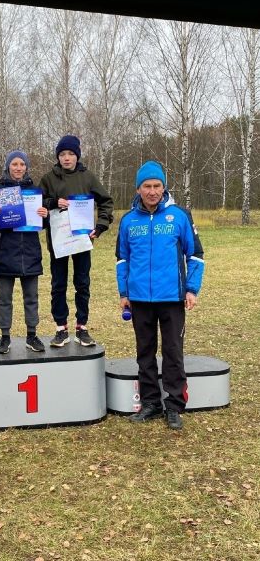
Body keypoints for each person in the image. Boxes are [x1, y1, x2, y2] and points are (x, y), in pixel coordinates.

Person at [115, 160, 205, 430]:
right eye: (147, 186)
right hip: (140, 298)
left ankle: (174, 405)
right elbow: (122, 259)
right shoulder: (128, 220)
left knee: (173, 352)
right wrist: (124, 292)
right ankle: (151, 403)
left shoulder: (179, 216)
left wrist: (191, 289)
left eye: (157, 186)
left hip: (172, 297)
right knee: (145, 352)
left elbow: (196, 255)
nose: (152, 191)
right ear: (138, 188)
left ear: (164, 187)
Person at [39, 135, 113, 347]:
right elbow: (36, 203)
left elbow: (106, 201)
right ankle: (61, 328)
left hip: (81, 240)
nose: (66, 158)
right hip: (58, 240)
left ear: (77, 155)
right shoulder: (48, 178)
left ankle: (82, 326)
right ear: (58, 157)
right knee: (58, 284)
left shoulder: (87, 177)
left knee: (82, 283)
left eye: (71, 154)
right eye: (62, 154)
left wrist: (100, 226)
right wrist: (52, 202)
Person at [0, 150, 48, 354]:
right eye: (14, 164)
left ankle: (31, 334)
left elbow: (42, 224)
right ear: (8, 166)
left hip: (30, 253)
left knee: (32, 297)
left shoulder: (36, 192)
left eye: (22, 164)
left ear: (26, 167)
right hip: (5, 254)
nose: (18, 168)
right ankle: (5, 337)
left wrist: (44, 215)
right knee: (4, 298)